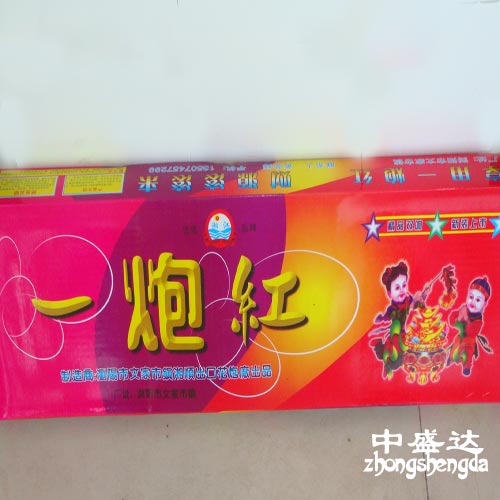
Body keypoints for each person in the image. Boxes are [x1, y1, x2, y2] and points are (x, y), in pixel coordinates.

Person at [373, 261, 424, 379]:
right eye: (397, 287)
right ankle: (388, 363)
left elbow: (417, 309)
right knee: (395, 341)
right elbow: (386, 318)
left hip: (410, 333)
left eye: (404, 285)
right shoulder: (392, 309)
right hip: (397, 335)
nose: (402, 290)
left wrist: (420, 299)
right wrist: (381, 319)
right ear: (389, 293)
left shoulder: (409, 299)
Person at [448, 277, 492, 376]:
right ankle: (450, 360)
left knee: (468, 353)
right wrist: (460, 316)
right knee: (454, 347)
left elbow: (471, 332)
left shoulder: (478, 320)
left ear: (484, 304)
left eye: (478, 300)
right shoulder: (464, 309)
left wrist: (465, 317)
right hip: (460, 338)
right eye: (471, 297)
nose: (472, 302)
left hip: (469, 342)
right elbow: (451, 320)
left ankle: (466, 368)